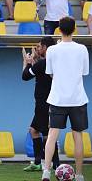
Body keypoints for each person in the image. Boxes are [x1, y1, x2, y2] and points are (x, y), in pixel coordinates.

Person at [41, 17, 89, 181]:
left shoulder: (51, 50)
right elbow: (84, 72)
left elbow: (51, 73)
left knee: (52, 135)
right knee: (78, 137)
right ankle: (80, 175)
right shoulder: (82, 49)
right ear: (74, 29)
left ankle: (46, 172)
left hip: (58, 99)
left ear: (58, 30)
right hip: (77, 99)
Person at [21, 37, 60, 172]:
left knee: (48, 135)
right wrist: (33, 62)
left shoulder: (43, 63)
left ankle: (55, 164)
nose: (37, 48)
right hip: (44, 103)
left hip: (45, 104)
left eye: (39, 46)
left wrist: (27, 62)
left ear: (44, 47)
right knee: (34, 130)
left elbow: (25, 76)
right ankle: (38, 162)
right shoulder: (50, 62)